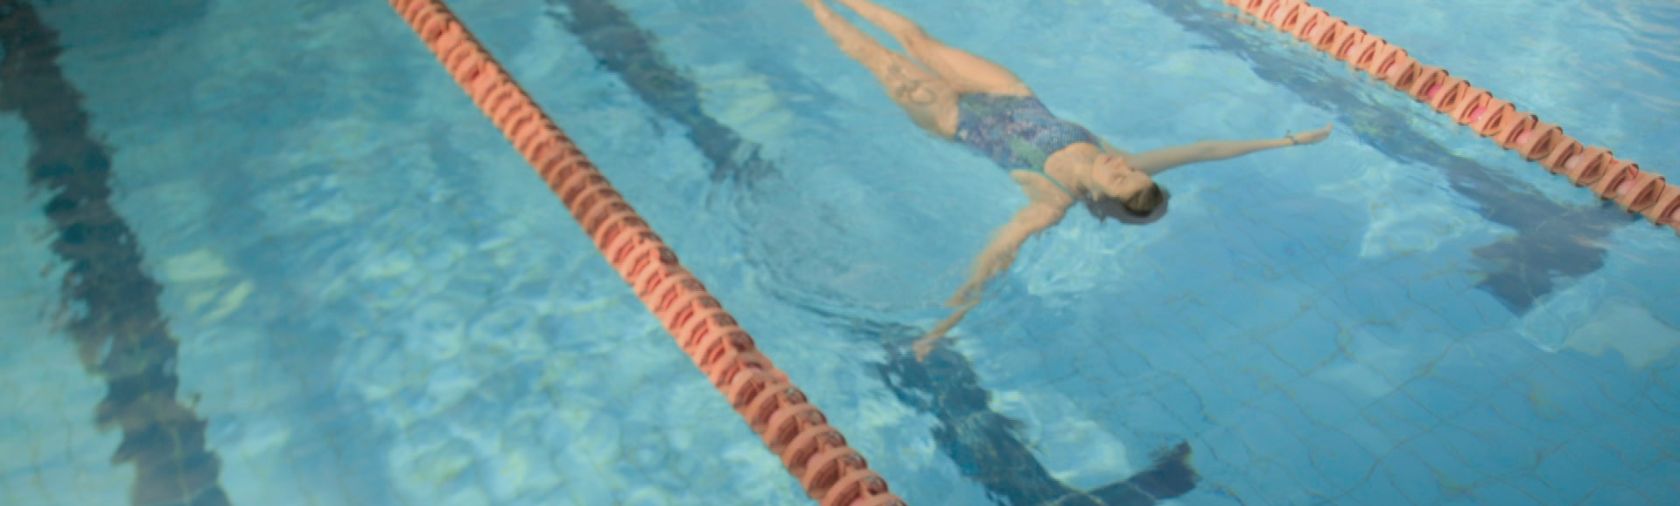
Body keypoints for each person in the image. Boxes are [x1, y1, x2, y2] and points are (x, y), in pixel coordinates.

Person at [801, 0, 1332, 360]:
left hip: (956, 121)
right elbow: (1205, 149)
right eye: (1127, 170)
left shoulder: (1050, 201)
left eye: (1119, 178)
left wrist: (942, 326)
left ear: (1101, 198)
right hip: (1009, 93)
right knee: (915, 38)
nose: (1121, 166)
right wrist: (1287, 141)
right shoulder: (1125, 159)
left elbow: (994, 260)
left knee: (879, 59)